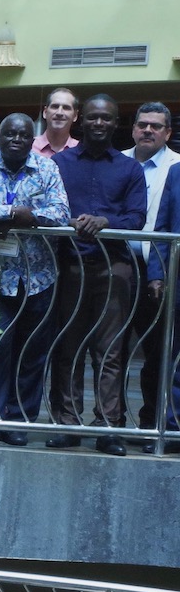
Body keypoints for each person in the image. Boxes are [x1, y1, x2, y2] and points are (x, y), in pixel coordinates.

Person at [0, 113, 69, 448]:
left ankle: (19, 420)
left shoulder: (47, 168)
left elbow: (62, 213)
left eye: (23, 135)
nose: (16, 140)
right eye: (10, 134)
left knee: (32, 352)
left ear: (31, 138)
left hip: (39, 278)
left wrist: (30, 218)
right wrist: (8, 214)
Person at [48, 94, 147, 456]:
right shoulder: (59, 163)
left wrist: (106, 222)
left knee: (110, 353)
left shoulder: (129, 168)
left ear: (116, 122)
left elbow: (137, 218)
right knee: (68, 349)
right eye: (92, 118)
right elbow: (50, 209)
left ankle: (108, 425)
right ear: (81, 121)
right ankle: (67, 423)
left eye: (106, 118)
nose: (99, 124)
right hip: (70, 266)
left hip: (113, 268)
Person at [127, 102, 180, 430]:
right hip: (118, 266)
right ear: (133, 128)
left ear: (168, 133)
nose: (148, 130)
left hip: (159, 272)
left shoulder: (176, 167)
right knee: (112, 353)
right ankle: (113, 422)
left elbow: (162, 226)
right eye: (143, 124)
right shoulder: (118, 161)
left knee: (159, 353)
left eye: (156, 126)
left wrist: (158, 274)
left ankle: (155, 424)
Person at [33, 88, 80, 158]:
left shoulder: (81, 151)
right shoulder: (29, 147)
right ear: (45, 112)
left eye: (66, 108)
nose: (59, 113)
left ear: (75, 116)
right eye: (55, 106)